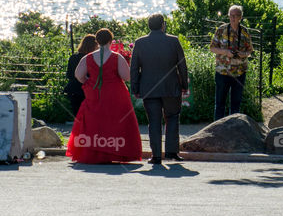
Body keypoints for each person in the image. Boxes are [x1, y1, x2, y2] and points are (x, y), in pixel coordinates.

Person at [66, 28, 142, 164]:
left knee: (93, 122)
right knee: (116, 122)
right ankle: (116, 151)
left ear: (97, 40)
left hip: (95, 93)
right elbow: (127, 76)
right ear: (110, 40)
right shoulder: (117, 57)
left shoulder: (87, 57)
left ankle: (94, 151)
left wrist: (89, 82)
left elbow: (78, 75)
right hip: (116, 93)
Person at [130, 13, 190, 165]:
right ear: (163, 25)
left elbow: (134, 68)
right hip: (171, 87)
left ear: (149, 25)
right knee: (172, 117)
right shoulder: (173, 41)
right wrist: (184, 85)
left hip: (149, 88)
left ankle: (156, 155)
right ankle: (172, 152)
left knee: (154, 121)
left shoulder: (140, 43)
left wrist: (135, 88)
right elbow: (182, 65)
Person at [210, 4, 254, 120]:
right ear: (228, 16)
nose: (233, 18)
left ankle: (234, 129)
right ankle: (217, 132)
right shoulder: (221, 30)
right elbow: (212, 48)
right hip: (223, 72)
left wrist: (243, 54)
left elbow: (250, 49)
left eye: (236, 15)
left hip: (239, 72)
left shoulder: (244, 31)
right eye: (231, 15)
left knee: (236, 105)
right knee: (220, 104)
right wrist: (225, 52)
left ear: (241, 17)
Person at [64, 34, 98, 118]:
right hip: (86, 90)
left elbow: (69, 74)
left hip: (73, 90)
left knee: (78, 116)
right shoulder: (92, 58)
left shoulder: (73, 57)